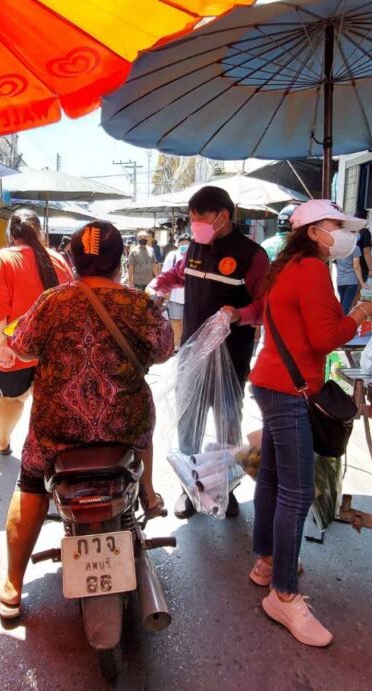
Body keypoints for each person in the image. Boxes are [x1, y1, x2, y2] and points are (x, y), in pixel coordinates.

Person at [0, 222, 173, 619]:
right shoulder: (138, 303)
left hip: (58, 428)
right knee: (142, 426)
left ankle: (12, 587)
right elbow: (163, 351)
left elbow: (21, 347)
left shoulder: (51, 302)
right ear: (120, 261)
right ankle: (148, 493)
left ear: (73, 261)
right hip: (124, 424)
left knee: (30, 483)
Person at [248, 200, 372, 648]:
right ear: (311, 232)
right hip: (289, 391)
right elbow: (326, 338)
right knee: (297, 491)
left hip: (271, 382)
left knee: (272, 479)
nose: (344, 233)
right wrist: (362, 313)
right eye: (335, 225)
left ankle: (267, 562)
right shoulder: (312, 270)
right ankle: (283, 594)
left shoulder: (286, 267)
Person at [148, 185, 270, 519]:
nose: (194, 226)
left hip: (231, 356)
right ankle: (189, 489)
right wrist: (158, 286)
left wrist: (238, 314)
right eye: (191, 220)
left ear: (223, 216)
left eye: (199, 219)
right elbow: (177, 275)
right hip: (192, 353)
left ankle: (226, 490)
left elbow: (265, 306)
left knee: (228, 425)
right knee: (189, 424)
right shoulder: (194, 248)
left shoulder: (253, 255)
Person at [0, 209, 72, 456]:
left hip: (14, 349)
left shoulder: (1, 260)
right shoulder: (59, 260)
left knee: (11, 400)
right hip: (53, 349)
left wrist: (1, 346)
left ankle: (3, 442)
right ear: (39, 232)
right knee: (52, 402)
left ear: (11, 234)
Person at [162, 234, 191, 345]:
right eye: (182, 243)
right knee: (175, 320)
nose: (184, 245)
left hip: (190, 296)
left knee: (186, 322)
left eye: (187, 243)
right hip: (174, 296)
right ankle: (175, 344)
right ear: (177, 244)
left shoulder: (194, 256)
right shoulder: (172, 255)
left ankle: (183, 344)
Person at [335, 242, 365, 314]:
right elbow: (356, 266)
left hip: (340, 281)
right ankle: (341, 320)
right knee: (346, 307)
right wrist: (362, 282)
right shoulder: (355, 248)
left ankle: (339, 319)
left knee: (342, 305)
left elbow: (336, 264)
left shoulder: (337, 248)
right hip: (351, 281)